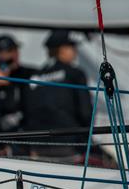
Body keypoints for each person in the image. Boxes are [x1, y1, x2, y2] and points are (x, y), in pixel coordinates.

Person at [23, 30, 92, 161]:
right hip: (69, 146)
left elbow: (28, 111)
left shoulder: (33, 77)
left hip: (38, 147)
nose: (75, 51)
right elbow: (85, 112)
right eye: (72, 47)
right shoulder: (75, 74)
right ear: (62, 49)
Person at [0, 34, 35, 141]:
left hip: (26, 132)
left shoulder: (29, 73)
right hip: (1, 134)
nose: (15, 54)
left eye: (15, 49)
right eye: (9, 51)